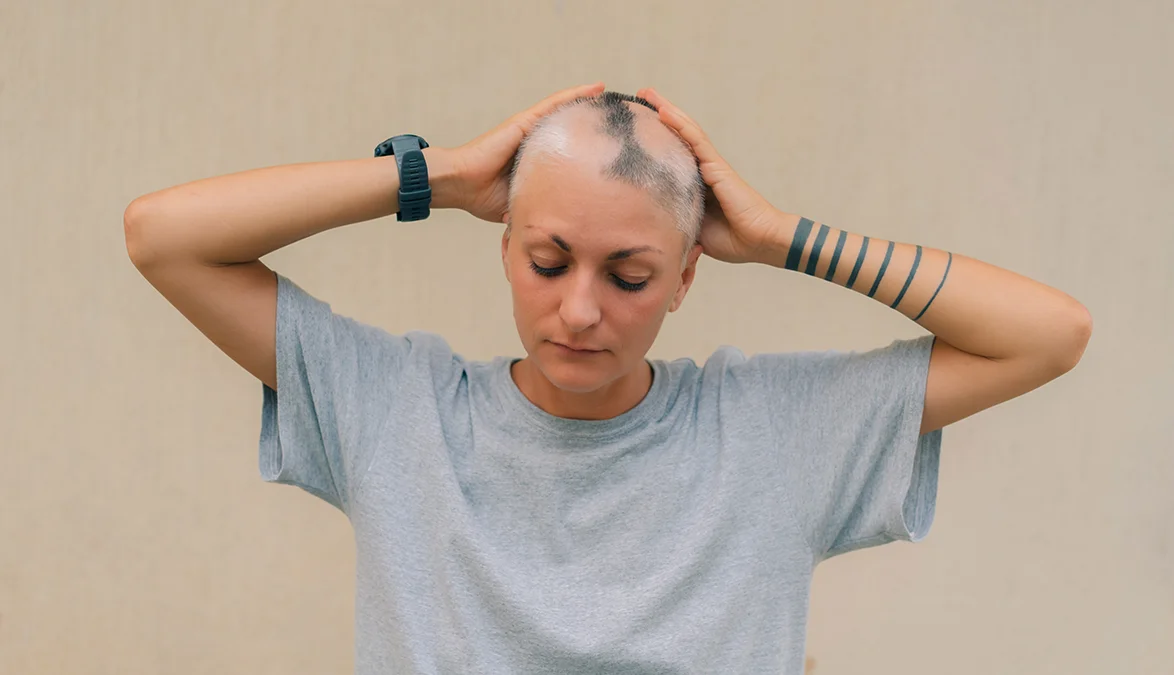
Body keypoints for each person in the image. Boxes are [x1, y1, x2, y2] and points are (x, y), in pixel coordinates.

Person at [124, 82, 1091, 674]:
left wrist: (780, 237)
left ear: (684, 277)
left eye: (629, 276)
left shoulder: (772, 431)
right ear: (501, 247)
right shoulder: (395, 410)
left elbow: (1048, 334)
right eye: (548, 262)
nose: (581, 311)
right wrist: (440, 175)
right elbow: (164, 238)